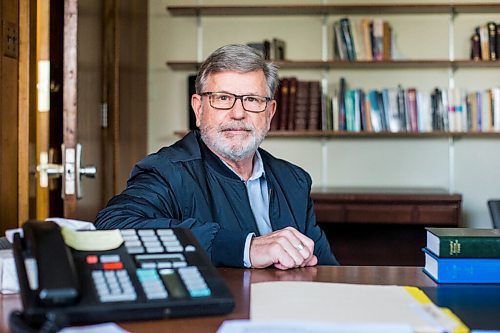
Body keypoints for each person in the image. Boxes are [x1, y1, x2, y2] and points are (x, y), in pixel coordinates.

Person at [95, 44, 338, 269]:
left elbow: (326, 272)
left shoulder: (294, 180)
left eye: (252, 100)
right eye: (223, 98)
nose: (238, 113)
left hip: (283, 310)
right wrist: (246, 248)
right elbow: (112, 227)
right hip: (212, 312)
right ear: (199, 109)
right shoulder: (167, 171)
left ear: (270, 112)